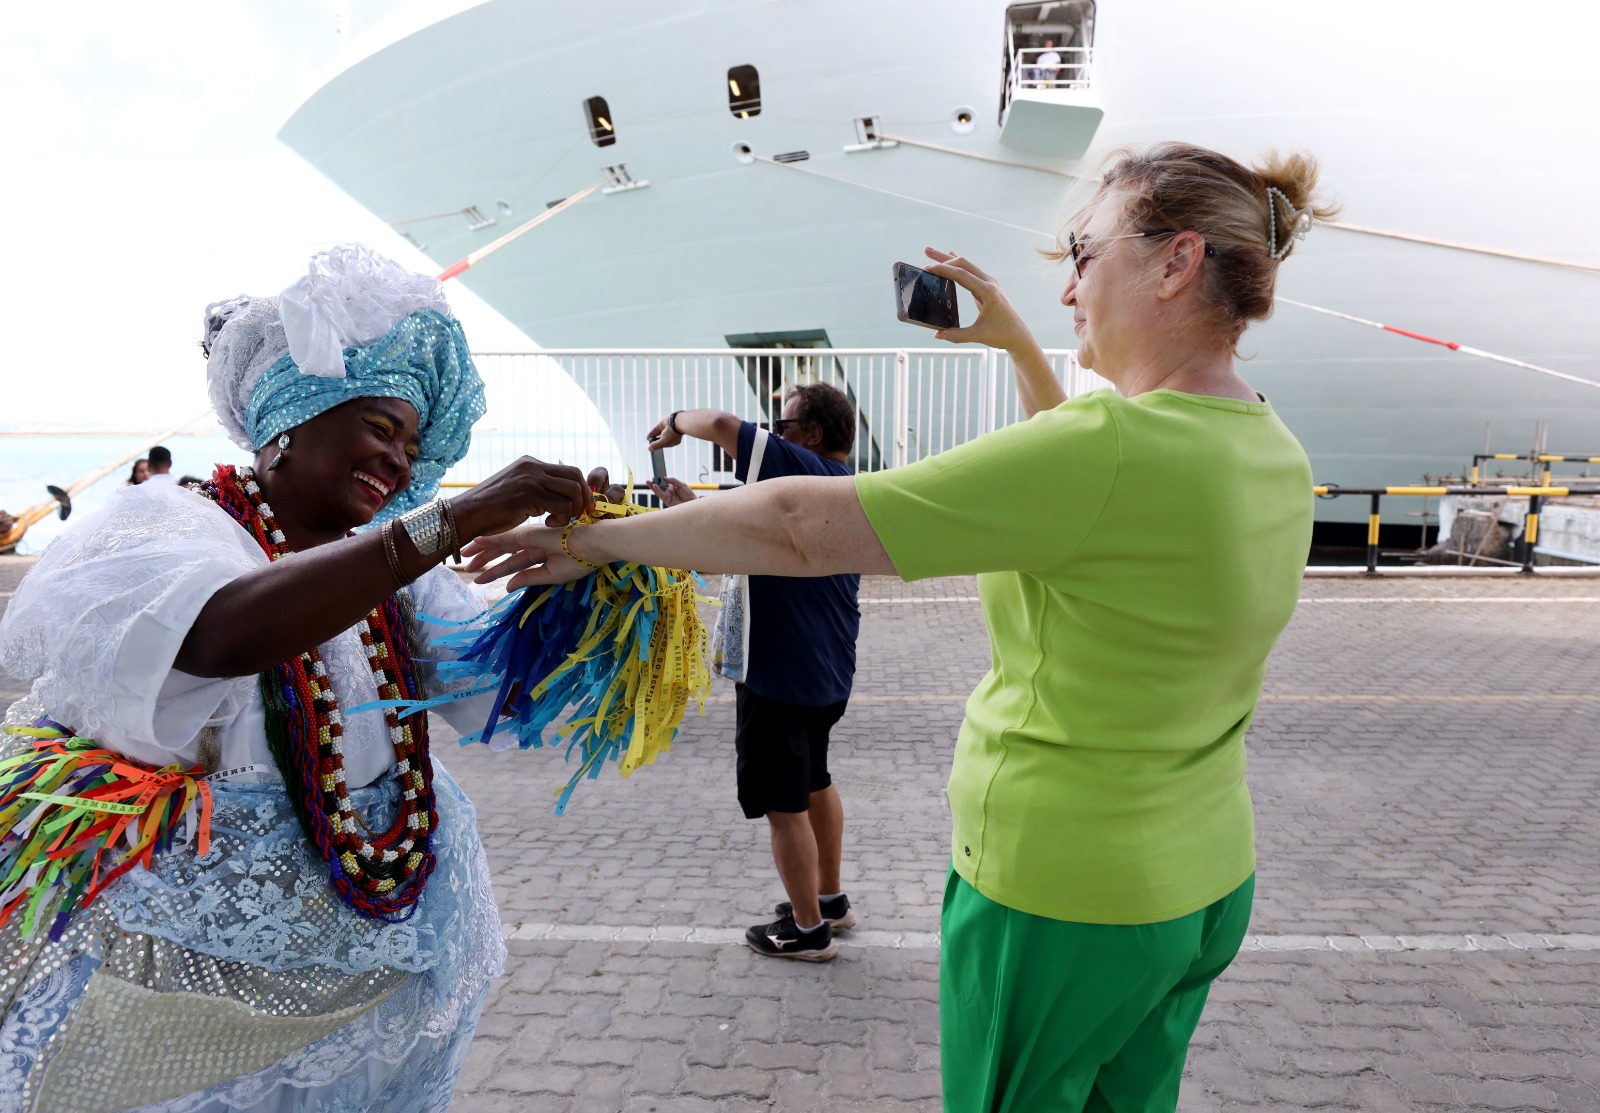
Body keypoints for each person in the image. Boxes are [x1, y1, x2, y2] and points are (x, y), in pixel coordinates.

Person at [464, 142, 1335, 1111]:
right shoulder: (1268, 444)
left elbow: (799, 526)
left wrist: (604, 542)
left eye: (1082, 254)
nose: (1067, 288)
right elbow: (1085, 499)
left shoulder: (1108, 452)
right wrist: (1013, 348)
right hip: (1199, 886)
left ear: (1174, 263)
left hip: (1064, 893)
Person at [0, 243, 593, 1111]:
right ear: (287, 418)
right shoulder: (168, 522)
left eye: (413, 445)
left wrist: (606, 567)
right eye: (381, 428)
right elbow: (221, 631)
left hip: (369, 963)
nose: (399, 461)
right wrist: (448, 518)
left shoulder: (396, 572)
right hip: (195, 983)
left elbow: (497, 691)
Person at [643, 383, 862, 962]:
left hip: (779, 673)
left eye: (783, 426)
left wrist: (673, 419)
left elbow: (716, 421)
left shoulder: (802, 471)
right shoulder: (845, 490)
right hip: (827, 669)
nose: (775, 435)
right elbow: (749, 544)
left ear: (811, 437)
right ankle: (830, 901)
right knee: (815, 779)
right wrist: (690, 508)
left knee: (783, 805)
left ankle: (807, 931)